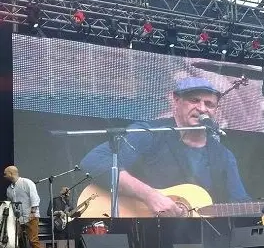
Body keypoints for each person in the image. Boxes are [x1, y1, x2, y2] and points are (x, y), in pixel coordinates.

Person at [79, 77, 251, 217]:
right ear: (176, 101)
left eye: (209, 104)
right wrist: (149, 195)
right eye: (194, 100)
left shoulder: (223, 155)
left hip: (194, 242)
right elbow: (94, 161)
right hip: (139, 232)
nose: (202, 108)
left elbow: (240, 203)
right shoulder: (150, 132)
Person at [3, 166, 43, 248]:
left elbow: (35, 197)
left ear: (11, 173)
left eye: (5, 174)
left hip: (31, 216)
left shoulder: (26, 182)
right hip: (18, 218)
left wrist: (33, 212)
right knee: (15, 239)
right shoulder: (9, 189)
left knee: (33, 239)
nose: (4, 176)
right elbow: (11, 203)